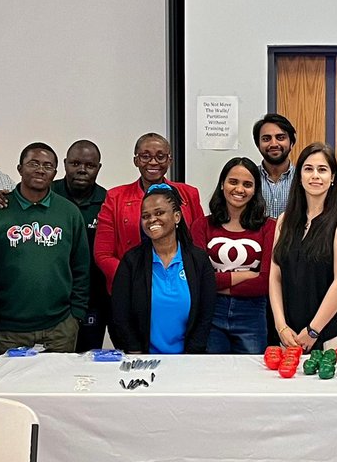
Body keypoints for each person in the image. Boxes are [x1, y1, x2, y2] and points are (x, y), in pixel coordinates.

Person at [0, 143, 90, 353]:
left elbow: (81, 268)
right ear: (19, 168)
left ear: (55, 173)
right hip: (6, 330)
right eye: (33, 163)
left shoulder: (69, 212)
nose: (41, 170)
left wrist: (76, 315)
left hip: (59, 328)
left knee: (57, 377)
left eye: (48, 166)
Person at [269, 142, 337, 351]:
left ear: (332, 177)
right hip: (289, 335)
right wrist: (281, 326)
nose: (315, 175)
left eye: (322, 170)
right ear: (299, 177)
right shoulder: (284, 221)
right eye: (308, 169)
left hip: (331, 335)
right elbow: (275, 277)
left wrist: (313, 330)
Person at [110, 184, 216, 354]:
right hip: (144, 360)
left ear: (177, 217)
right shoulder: (131, 261)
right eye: (146, 216)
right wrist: (135, 350)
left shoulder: (199, 260)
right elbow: (120, 313)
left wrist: (192, 354)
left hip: (188, 359)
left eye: (159, 213)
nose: (152, 220)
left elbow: (206, 313)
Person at [94, 133, 204, 293]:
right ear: (136, 160)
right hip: (131, 286)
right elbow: (103, 254)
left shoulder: (189, 194)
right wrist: (135, 278)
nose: (153, 162)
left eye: (160, 156)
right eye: (145, 156)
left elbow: (199, 245)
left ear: (169, 160)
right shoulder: (115, 197)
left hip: (180, 283)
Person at [192, 157, 276, 354]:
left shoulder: (269, 227)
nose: (239, 189)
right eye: (233, 182)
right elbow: (198, 279)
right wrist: (247, 275)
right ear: (222, 184)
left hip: (253, 313)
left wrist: (217, 283)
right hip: (211, 312)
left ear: (255, 190)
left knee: (252, 372)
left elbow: (265, 282)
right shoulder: (201, 226)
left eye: (247, 184)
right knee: (213, 372)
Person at [53, 141, 110, 351]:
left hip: (93, 300)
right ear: (65, 164)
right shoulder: (47, 194)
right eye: (75, 163)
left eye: (90, 165)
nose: (82, 170)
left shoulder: (108, 201)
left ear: (99, 168)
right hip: (51, 300)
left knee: (87, 359)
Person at [254, 113, 296, 220]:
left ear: (291, 143)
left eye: (280, 138)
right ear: (258, 145)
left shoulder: (302, 178)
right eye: (266, 139)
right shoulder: (250, 178)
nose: (273, 144)